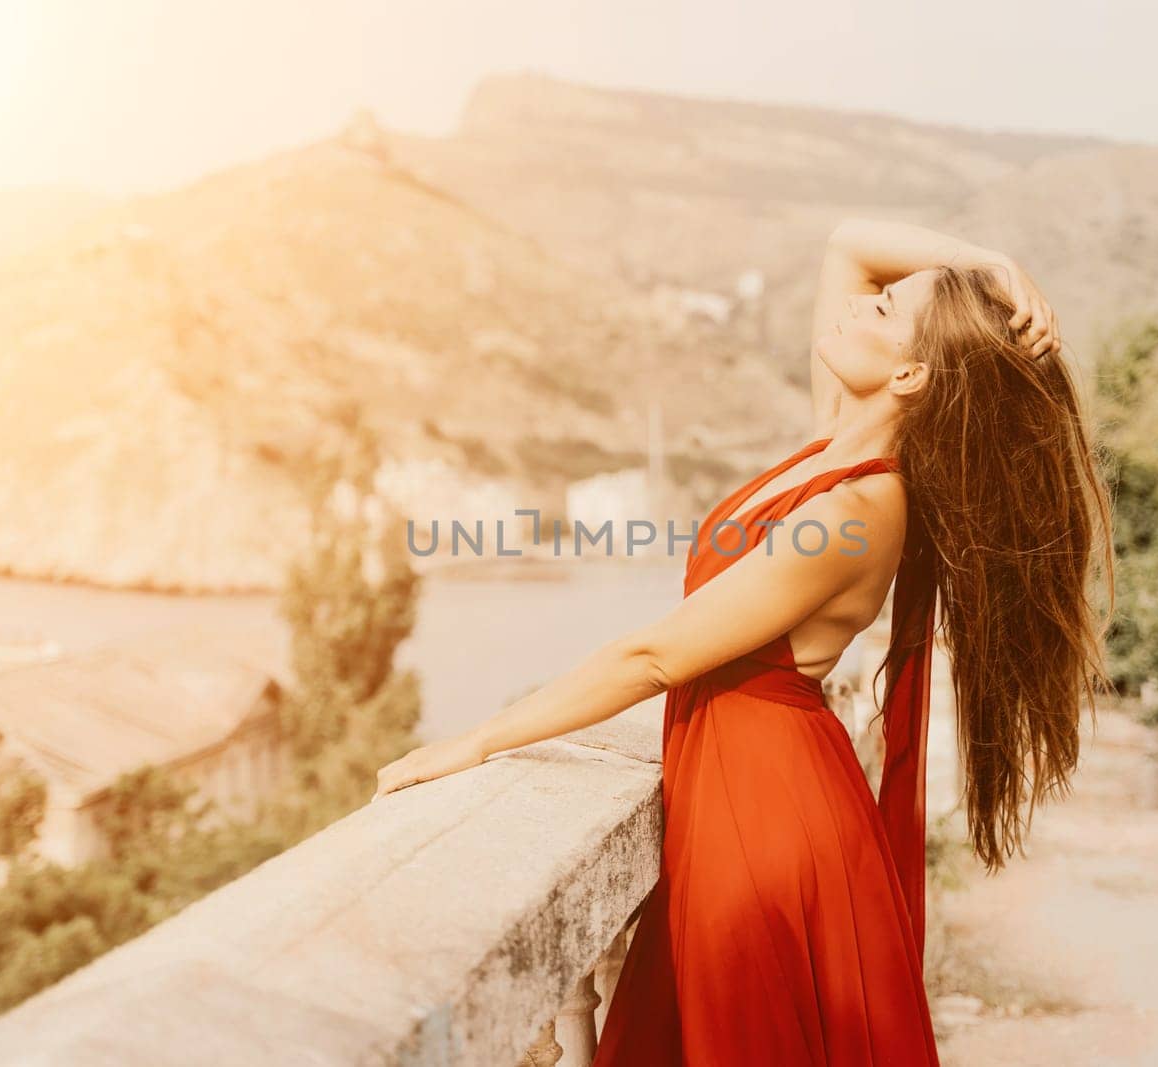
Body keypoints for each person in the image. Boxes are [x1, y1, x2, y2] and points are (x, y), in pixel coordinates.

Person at [371, 218, 1116, 1065]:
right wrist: (987, 263)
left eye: (884, 311)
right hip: (742, 794)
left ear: (910, 373)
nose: (863, 300)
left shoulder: (855, 510)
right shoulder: (834, 440)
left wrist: (472, 741)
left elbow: (651, 657)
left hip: (768, 828)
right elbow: (850, 244)